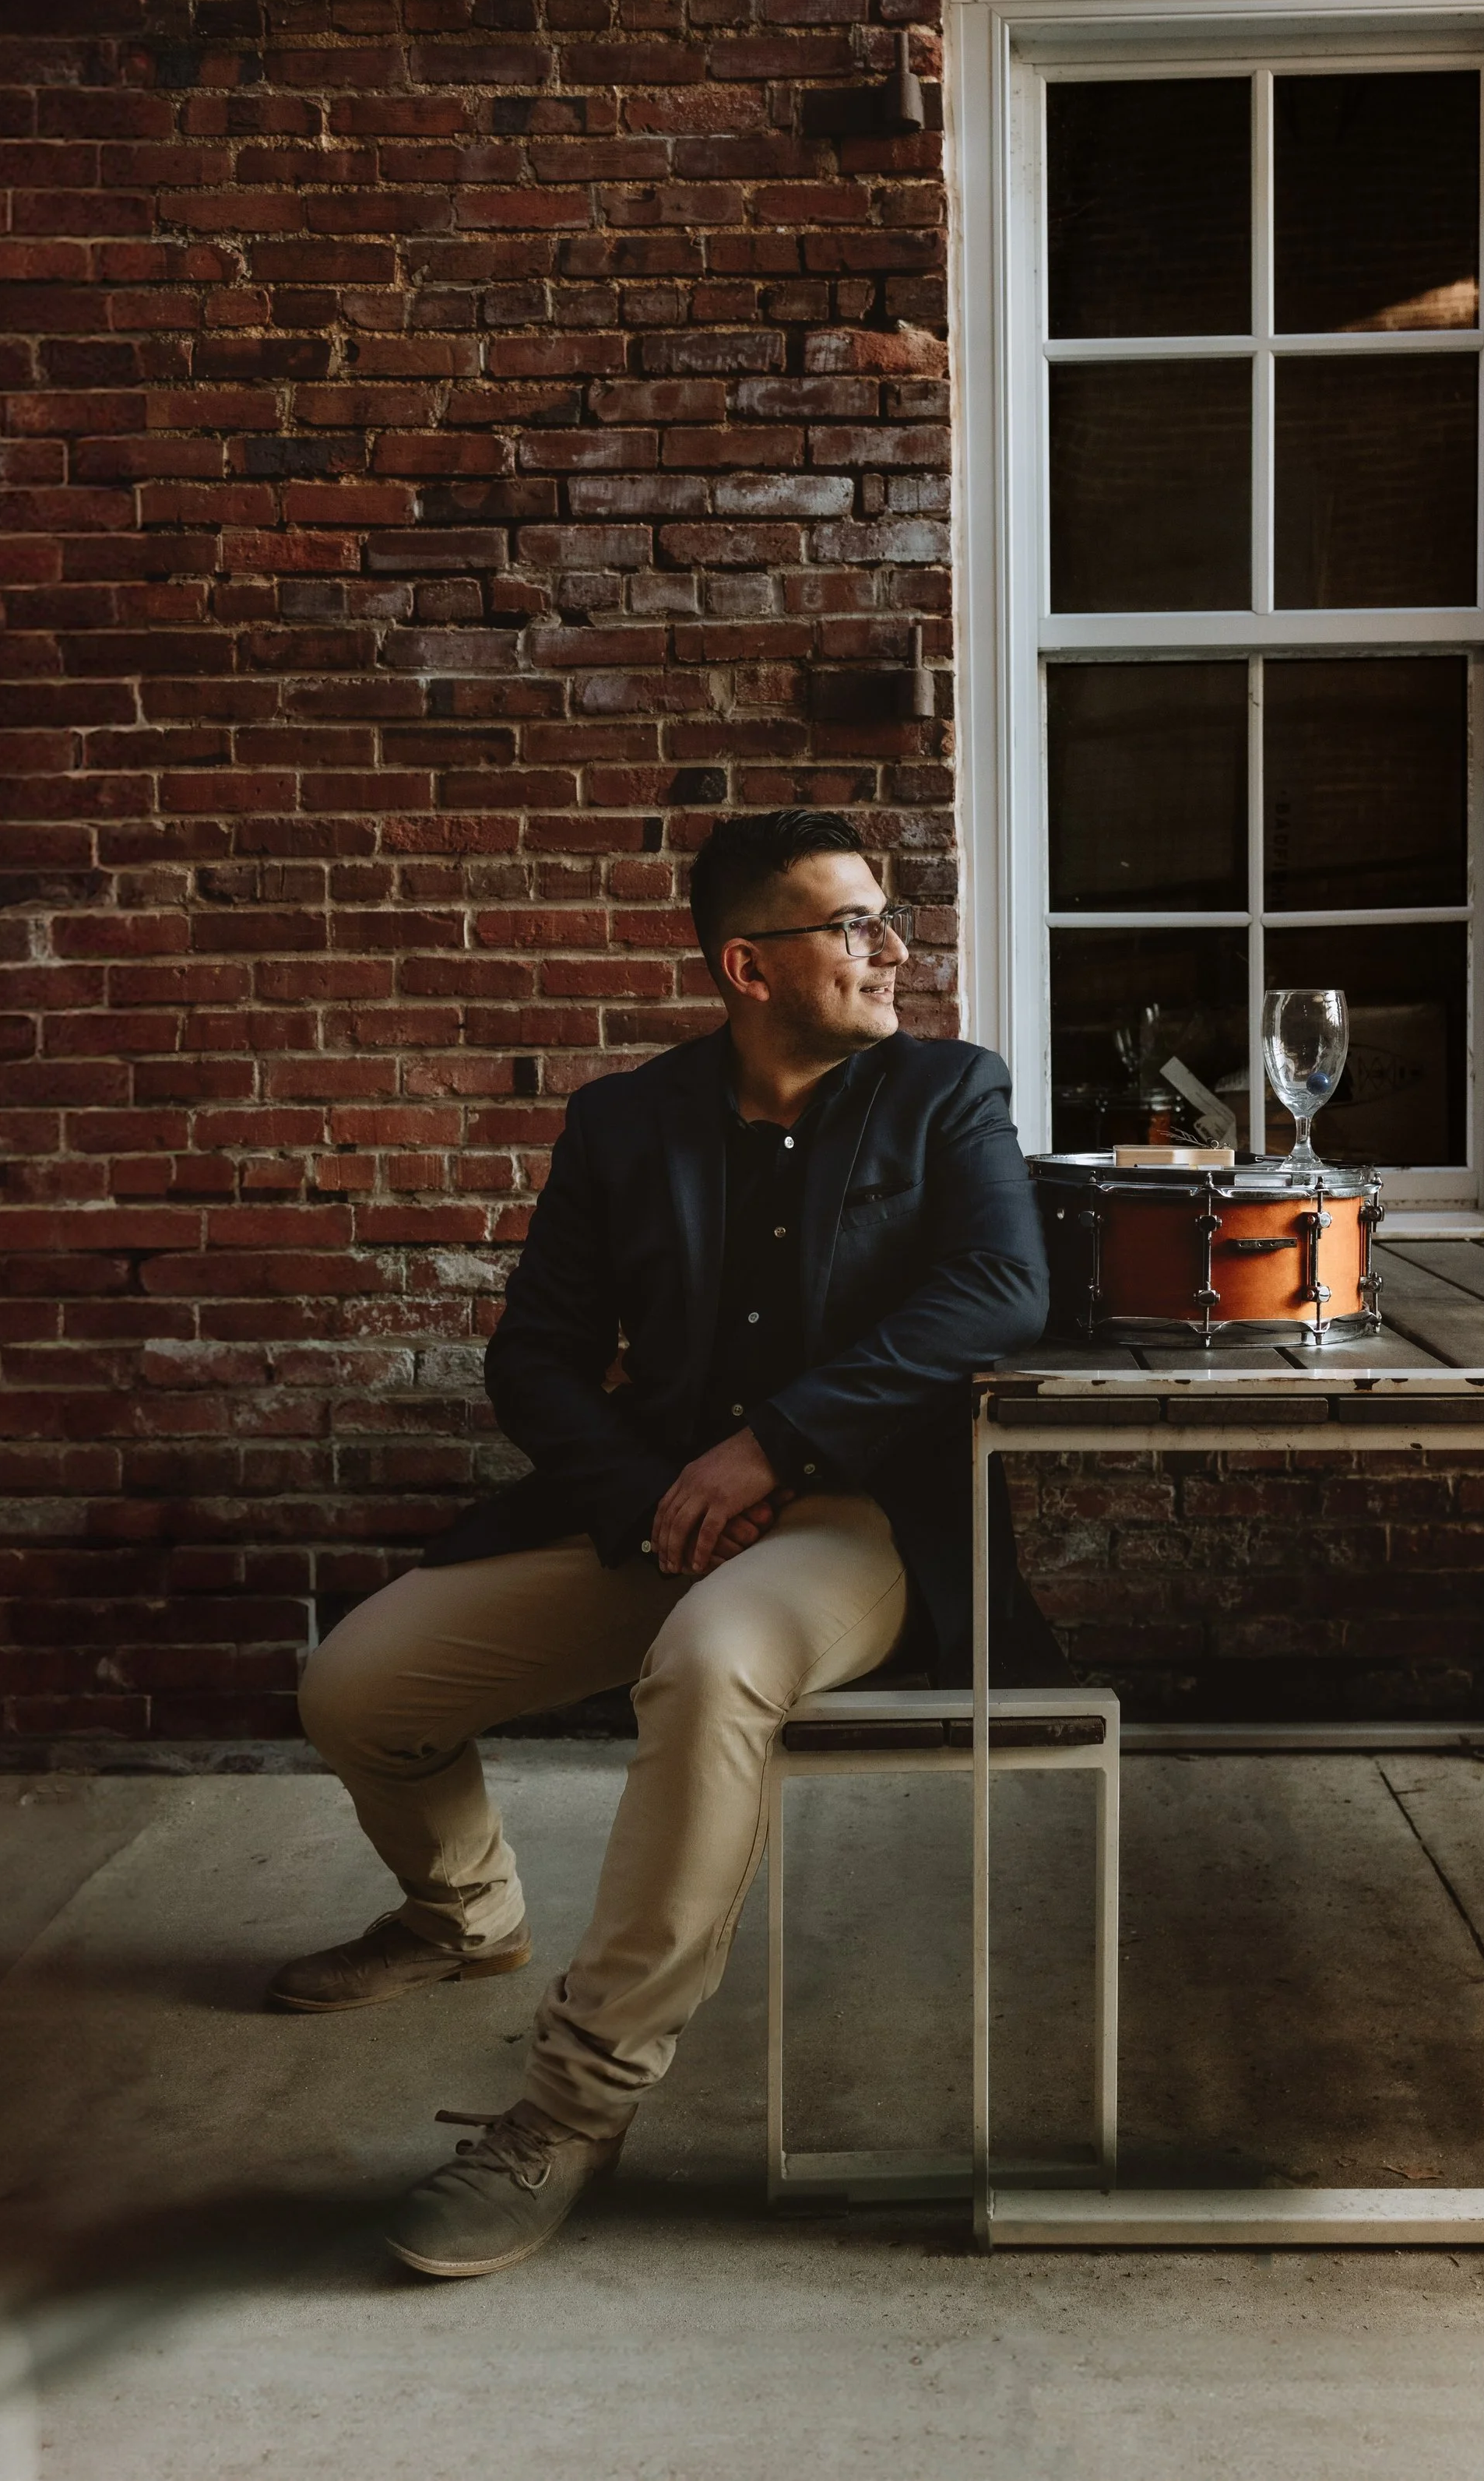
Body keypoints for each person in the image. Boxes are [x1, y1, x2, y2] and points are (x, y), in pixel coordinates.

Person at [269, 808, 1059, 2279]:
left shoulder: (949, 1093)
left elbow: (1002, 1294)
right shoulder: (624, 1121)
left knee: (708, 1664)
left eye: (887, 919)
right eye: (852, 926)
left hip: (864, 1520)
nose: (893, 949)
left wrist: (779, 1442)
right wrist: (654, 1495)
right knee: (358, 1686)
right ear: (747, 966)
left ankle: (573, 2108)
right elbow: (537, 1359)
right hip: (659, 1511)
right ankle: (466, 1912)